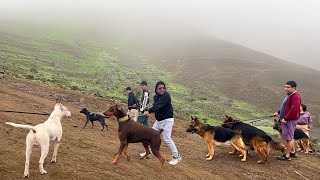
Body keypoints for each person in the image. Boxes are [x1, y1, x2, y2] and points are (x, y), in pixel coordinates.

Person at [141, 81, 182, 165]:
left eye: (164, 88)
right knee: (150, 135)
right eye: (160, 88)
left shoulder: (166, 96)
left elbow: (158, 106)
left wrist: (149, 111)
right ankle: (149, 151)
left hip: (167, 120)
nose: (162, 89)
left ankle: (177, 157)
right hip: (159, 121)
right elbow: (156, 107)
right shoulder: (156, 97)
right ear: (156, 89)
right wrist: (148, 111)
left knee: (167, 138)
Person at [273, 81, 301, 161]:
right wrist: (278, 112)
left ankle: (287, 156)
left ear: (294, 88)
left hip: (289, 120)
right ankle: (292, 152)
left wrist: (286, 119)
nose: (286, 89)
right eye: (285, 87)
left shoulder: (295, 96)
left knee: (289, 138)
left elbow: (294, 110)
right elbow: (285, 107)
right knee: (289, 137)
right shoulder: (289, 95)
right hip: (287, 120)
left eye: (288, 87)